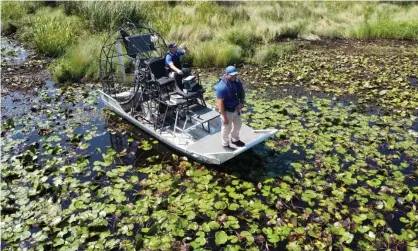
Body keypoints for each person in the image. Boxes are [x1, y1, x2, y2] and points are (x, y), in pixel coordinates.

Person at [216, 66, 246, 148]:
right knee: (226, 128)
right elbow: (220, 103)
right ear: (226, 74)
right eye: (232, 75)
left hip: (236, 109)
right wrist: (224, 117)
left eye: (235, 74)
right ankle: (225, 143)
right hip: (227, 111)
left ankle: (235, 140)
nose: (234, 76)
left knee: (238, 125)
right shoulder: (221, 87)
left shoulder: (236, 81)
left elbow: (242, 92)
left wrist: (242, 103)